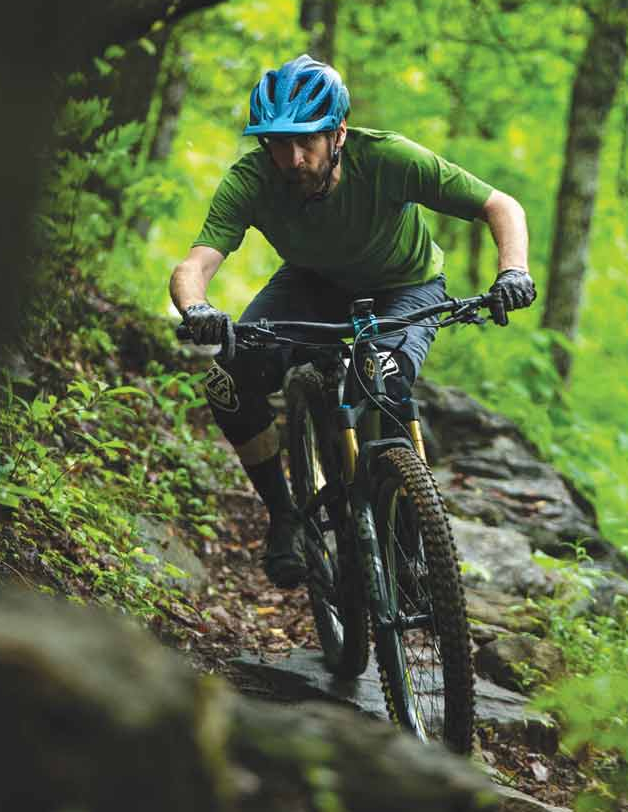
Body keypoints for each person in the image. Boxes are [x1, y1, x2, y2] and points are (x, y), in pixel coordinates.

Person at [170, 54, 536, 589]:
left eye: (307, 142)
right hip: (311, 284)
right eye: (276, 142)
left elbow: (501, 206)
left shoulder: (388, 159)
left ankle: (409, 528)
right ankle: (285, 516)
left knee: (383, 379)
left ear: (339, 133)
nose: (291, 158)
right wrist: (198, 309)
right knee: (231, 378)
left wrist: (513, 272)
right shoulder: (251, 178)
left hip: (403, 288)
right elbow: (196, 262)